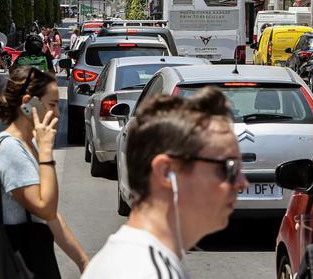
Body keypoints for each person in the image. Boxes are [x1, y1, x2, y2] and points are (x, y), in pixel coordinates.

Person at [81, 88, 248, 279]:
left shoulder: (136, 259)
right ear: (166, 172)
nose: (242, 183)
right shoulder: (145, 271)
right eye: (227, 167)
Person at [0, 67, 88, 274]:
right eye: (52, 104)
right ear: (28, 104)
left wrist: (82, 261)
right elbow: (45, 208)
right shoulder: (10, 149)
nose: (57, 112)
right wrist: (46, 152)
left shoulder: (28, 145)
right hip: (10, 265)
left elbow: (49, 217)